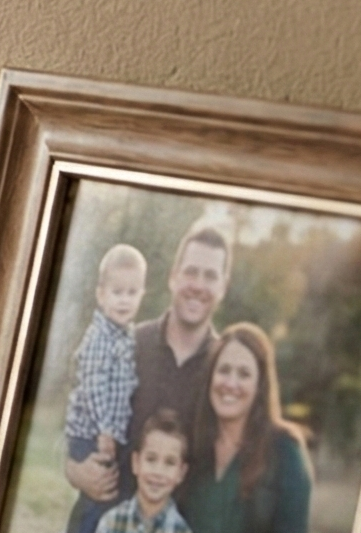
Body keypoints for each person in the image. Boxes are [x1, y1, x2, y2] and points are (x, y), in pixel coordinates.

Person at [66, 226, 231, 530]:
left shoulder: (225, 372)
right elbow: (79, 410)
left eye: (210, 276)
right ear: (173, 276)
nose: (198, 285)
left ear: (223, 286)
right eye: (191, 272)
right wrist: (73, 468)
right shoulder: (128, 344)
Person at [178, 323, 312, 533]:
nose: (231, 384)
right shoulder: (192, 446)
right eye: (224, 370)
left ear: (260, 386)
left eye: (244, 374)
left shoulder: (285, 451)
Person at [64, 244, 148, 533]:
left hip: (107, 432)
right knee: (98, 494)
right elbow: (93, 386)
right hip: (92, 434)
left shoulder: (125, 335)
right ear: (101, 295)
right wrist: (106, 431)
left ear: (142, 295)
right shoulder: (100, 337)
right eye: (117, 292)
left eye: (132, 292)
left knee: (107, 500)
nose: (124, 300)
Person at [94, 411, 192, 533]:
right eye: (151, 459)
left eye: (169, 463)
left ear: (181, 473)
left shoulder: (181, 530)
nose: (158, 472)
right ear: (136, 463)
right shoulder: (111, 522)